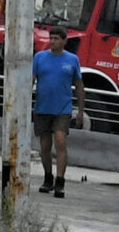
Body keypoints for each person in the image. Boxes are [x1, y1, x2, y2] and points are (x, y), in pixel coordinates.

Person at [33, 25, 84, 198]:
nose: (53, 42)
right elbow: (31, 80)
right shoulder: (39, 58)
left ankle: (60, 182)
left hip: (63, 108)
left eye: (56, 39)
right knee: (45, 146)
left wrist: (80, 111)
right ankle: (48, 178)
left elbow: (79, 85)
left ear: (64, 41)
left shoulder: (72, 60)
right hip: (42, 107)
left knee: (60, 142)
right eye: (51, 38)